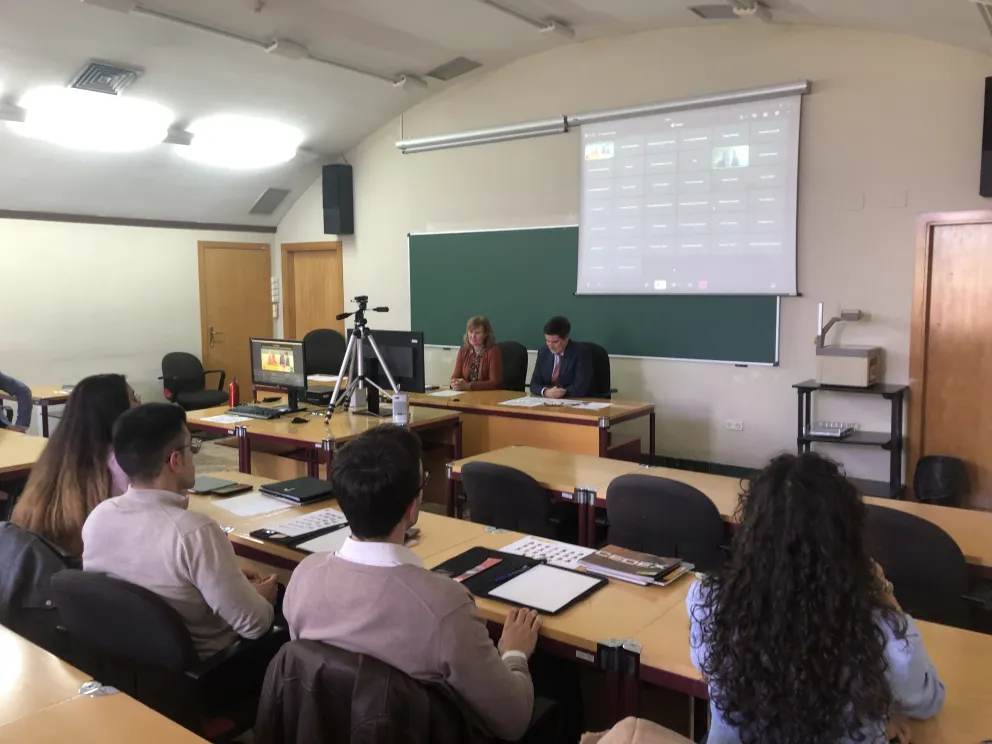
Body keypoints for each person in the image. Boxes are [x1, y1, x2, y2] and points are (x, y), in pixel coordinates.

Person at [284, 425, 539, 742]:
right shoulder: (444, 605)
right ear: (413, 508)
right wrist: (514, 653)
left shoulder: (304, 576)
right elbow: (512, 721)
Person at [688, 452, 945, 744]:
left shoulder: (708, 600)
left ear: (751, 532)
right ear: (848, 540)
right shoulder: (884, 631)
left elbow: (706, 669)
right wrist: (883, 590)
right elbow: (928, 701)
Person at [82, 403, 277, 658]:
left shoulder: (99, 517)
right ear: (175, 460)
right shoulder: (194, 532)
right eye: (191, 447)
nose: (194, 455)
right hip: (212, 671)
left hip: (129, 664)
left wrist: (225, 576)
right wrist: (263, 597)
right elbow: (255, 625)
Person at [11, 374, 139, 556]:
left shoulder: (55, 456)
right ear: (113, 411)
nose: (139, 405)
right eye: (134, 398)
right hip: (95, 570)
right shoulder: (122, 462)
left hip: (48, 568)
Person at [528, 316, 593, 399]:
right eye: (547, 341)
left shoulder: (581, 353)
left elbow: (580, 388)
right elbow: (534, 384)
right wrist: (546, 392)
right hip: (549, 402)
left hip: (575, 401)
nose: (550, 345)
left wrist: (559, 393)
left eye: (555, 342)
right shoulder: (543, 352)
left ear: (566, 338)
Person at [450, 316, 504, 392]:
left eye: (477, 333)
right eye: (471, 332)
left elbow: (495, 382)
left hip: (487, 396)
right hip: (466, 395)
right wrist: (455, 383)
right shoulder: (464, 350)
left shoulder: (493, 352)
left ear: (486, 334)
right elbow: (456, 376)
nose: (473, 336)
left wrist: (470, 386)